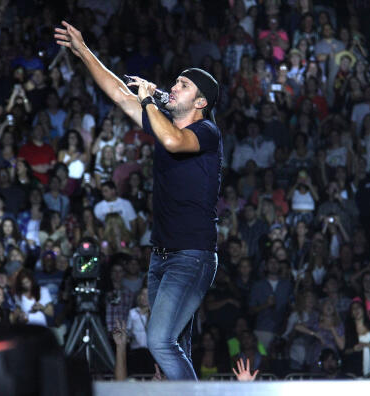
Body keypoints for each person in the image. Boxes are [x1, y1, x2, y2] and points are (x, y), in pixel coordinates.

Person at [55, 21, 222, 380]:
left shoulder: (206, 131)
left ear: (201, 102)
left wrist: (148, 99)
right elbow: (119, 94)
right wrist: (83, 50)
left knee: (159, 341)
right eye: (175, 82)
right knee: (175, 346)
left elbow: (175, 143)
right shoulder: (163, 124)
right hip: (160, 256)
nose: (173, 87)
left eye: (183, 85)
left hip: (191, 256)